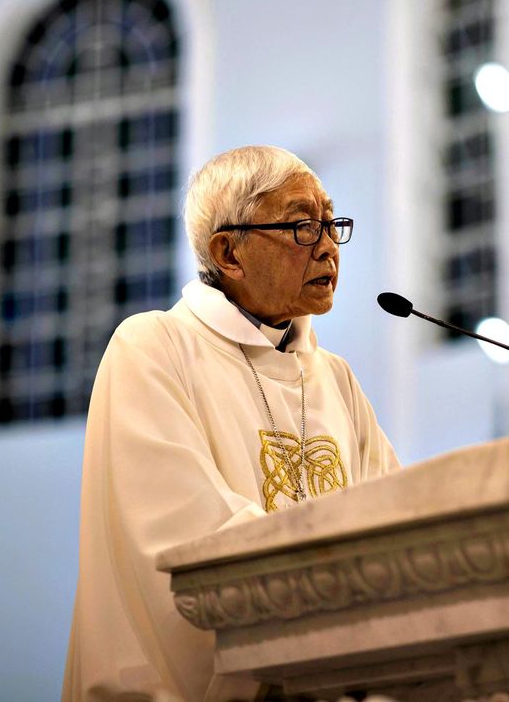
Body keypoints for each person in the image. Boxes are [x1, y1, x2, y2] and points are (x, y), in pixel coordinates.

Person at [62, 146, 400, 701]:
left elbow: (398, 525)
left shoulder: (335, 379)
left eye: (331, 223)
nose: (328, 246)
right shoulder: (154, 348)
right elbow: (185, 545)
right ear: (229, 252)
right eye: (301, 226)